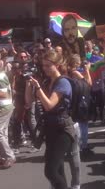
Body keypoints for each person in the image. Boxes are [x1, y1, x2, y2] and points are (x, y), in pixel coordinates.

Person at [27, 50, 75, 189]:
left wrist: (38, 87)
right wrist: (28, 86)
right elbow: (28, 102)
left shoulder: (63, 83)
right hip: (50, 129)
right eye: (44, 66)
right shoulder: (48, 81)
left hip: (63, 130)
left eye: (49, 65)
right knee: (58, 168)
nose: (45, 69)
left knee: (50, 171)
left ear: (58, 65)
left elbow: (49, 105)